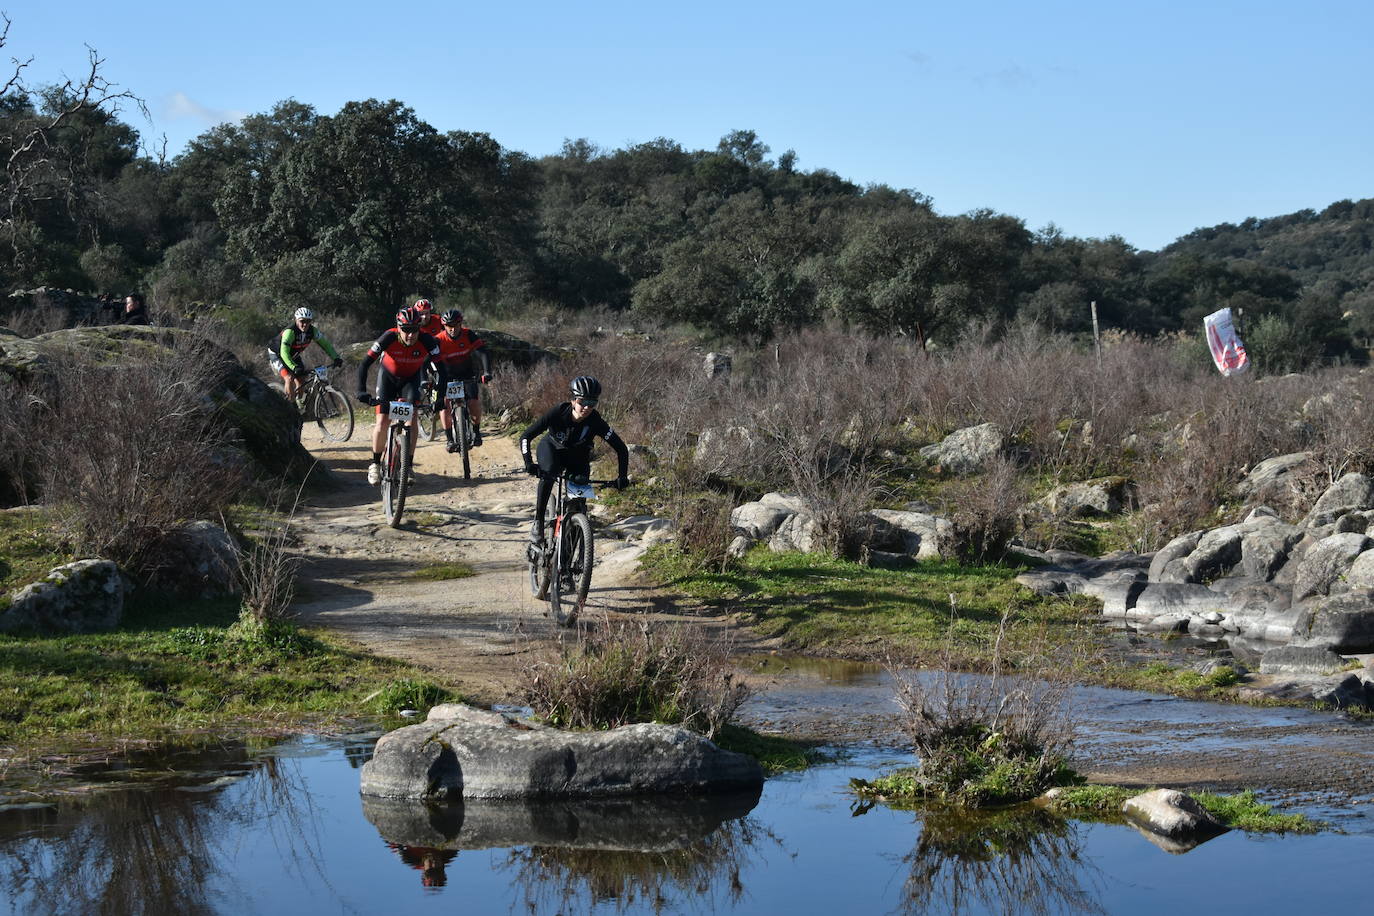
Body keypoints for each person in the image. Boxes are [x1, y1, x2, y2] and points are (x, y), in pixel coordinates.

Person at [520, 375, 630, 547]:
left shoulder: (596, 422)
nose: (586, 407)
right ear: (573, 400)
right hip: (552, 450)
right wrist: (528, 463)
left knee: (578, 506)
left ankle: (568, 557)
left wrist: (622, 476)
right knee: (549, 474)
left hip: (577, 459)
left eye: (592, 403)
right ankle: (539, 522)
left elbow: (621, 448)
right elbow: (526, 436)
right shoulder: (557, 412)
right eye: (582, 402)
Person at [356, 305, 447, 486]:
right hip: (388, 378)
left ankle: (408, 465)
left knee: (411, 420)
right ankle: (374, 463)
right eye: (406, 330)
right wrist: (361, 391)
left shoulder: (427, 340)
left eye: (414, 330)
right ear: (398, 327)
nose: (410, 335)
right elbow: (365, 363)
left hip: (410, 381)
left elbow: (442, 371)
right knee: (382, 420)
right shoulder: (388, 337)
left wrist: (440, 398)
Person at [434, 308, 492, 452]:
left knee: (473, 402)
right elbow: (428, 359)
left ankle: (476, 432)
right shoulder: (438, 339)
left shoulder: (468, 334)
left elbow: (482, 352)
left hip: (467, 374)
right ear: (444, 326)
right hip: (446, 376)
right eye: (449, 326)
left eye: (455, 325)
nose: (452, 329)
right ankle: (449, 439)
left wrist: (487, 371)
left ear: (461, 324)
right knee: (445, 405)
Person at [268, 306, 344, 403]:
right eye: (302, 321)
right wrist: (293, 367)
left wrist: (336, 357)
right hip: (278, 354)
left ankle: (299, 406)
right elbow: (284, 353)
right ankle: (290, 407)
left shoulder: (312, 331)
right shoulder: (290, 332)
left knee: (301, 381)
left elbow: (326, 345)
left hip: (293, 355)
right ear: (296, 320)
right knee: (289, 378)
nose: (305, 324)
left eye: (308, 321)